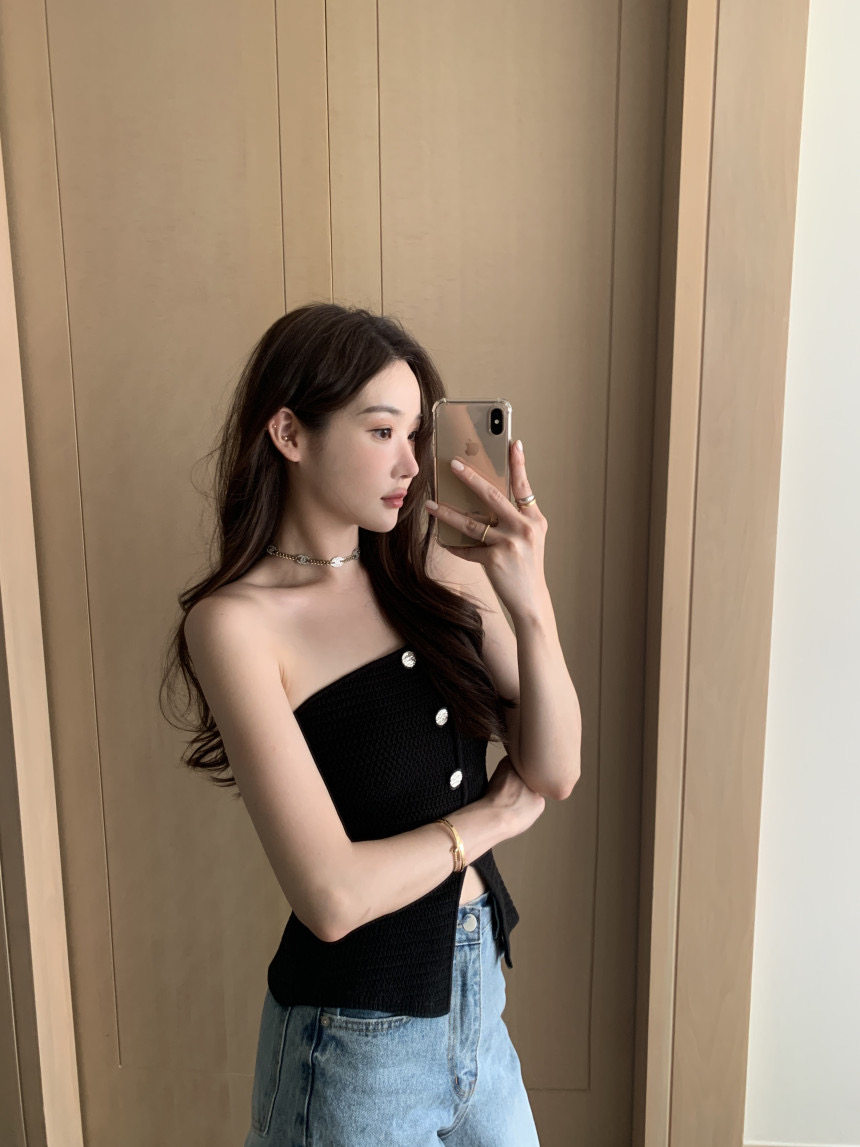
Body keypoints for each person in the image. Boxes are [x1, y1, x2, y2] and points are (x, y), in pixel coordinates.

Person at [160, 302, 577, 1144]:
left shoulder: (435, 572)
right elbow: (331, 896)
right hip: (353, 1047)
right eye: (383, 431)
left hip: (478, 1004)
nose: (411, 463)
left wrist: (530, 601)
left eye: (416, 434)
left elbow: (556, 768)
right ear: (289, 433)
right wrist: (493, 817)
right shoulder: (236, 625)